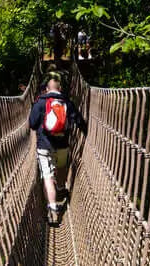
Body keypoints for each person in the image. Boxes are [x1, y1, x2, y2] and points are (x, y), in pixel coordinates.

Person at [28, 71, 85, 221]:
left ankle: (53, 208)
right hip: (62, 145)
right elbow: (78, 121)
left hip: (44, 145)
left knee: (47, 176)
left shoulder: (40, 102)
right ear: (59, 88)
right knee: (61, 166)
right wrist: (86, 133)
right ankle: (60, 187)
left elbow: (32, 124)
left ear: (46, 89)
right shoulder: (66, 101)